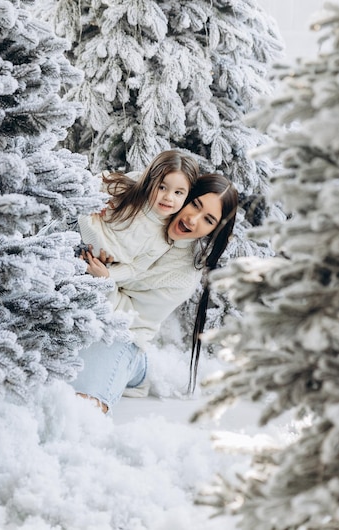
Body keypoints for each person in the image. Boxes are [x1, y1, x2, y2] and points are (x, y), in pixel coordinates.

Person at [72, 174, 238, 413]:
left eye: (208, 219)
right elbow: (96, 186)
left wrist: (105, 281)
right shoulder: (149, 198)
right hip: (77, 302)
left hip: (123, 331)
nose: (193, 219)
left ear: (214, 231)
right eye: (195, 204)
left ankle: (136, 366)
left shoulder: (183, 278)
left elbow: (133, 318)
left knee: (84, 405)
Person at [77, 150, 200, 283]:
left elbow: (135, 268)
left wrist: (108, 274)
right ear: (150, 181)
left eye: (178, 192)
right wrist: (96, 200)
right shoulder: (127, 191)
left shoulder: (162, 239)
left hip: (93, 265)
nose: (168, 197)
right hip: (78, 228)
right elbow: (97, 182)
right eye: (162, 187)